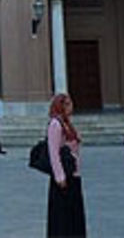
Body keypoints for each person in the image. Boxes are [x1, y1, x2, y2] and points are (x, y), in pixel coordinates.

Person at [46, 93, 86, 238]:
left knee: (74, 214)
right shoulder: (55, 124)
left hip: (74, 174)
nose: (71, 107)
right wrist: (59, 176)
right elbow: (53, 152)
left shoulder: (67, 123)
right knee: (62, 216)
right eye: (67, 104)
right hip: (63, 177)